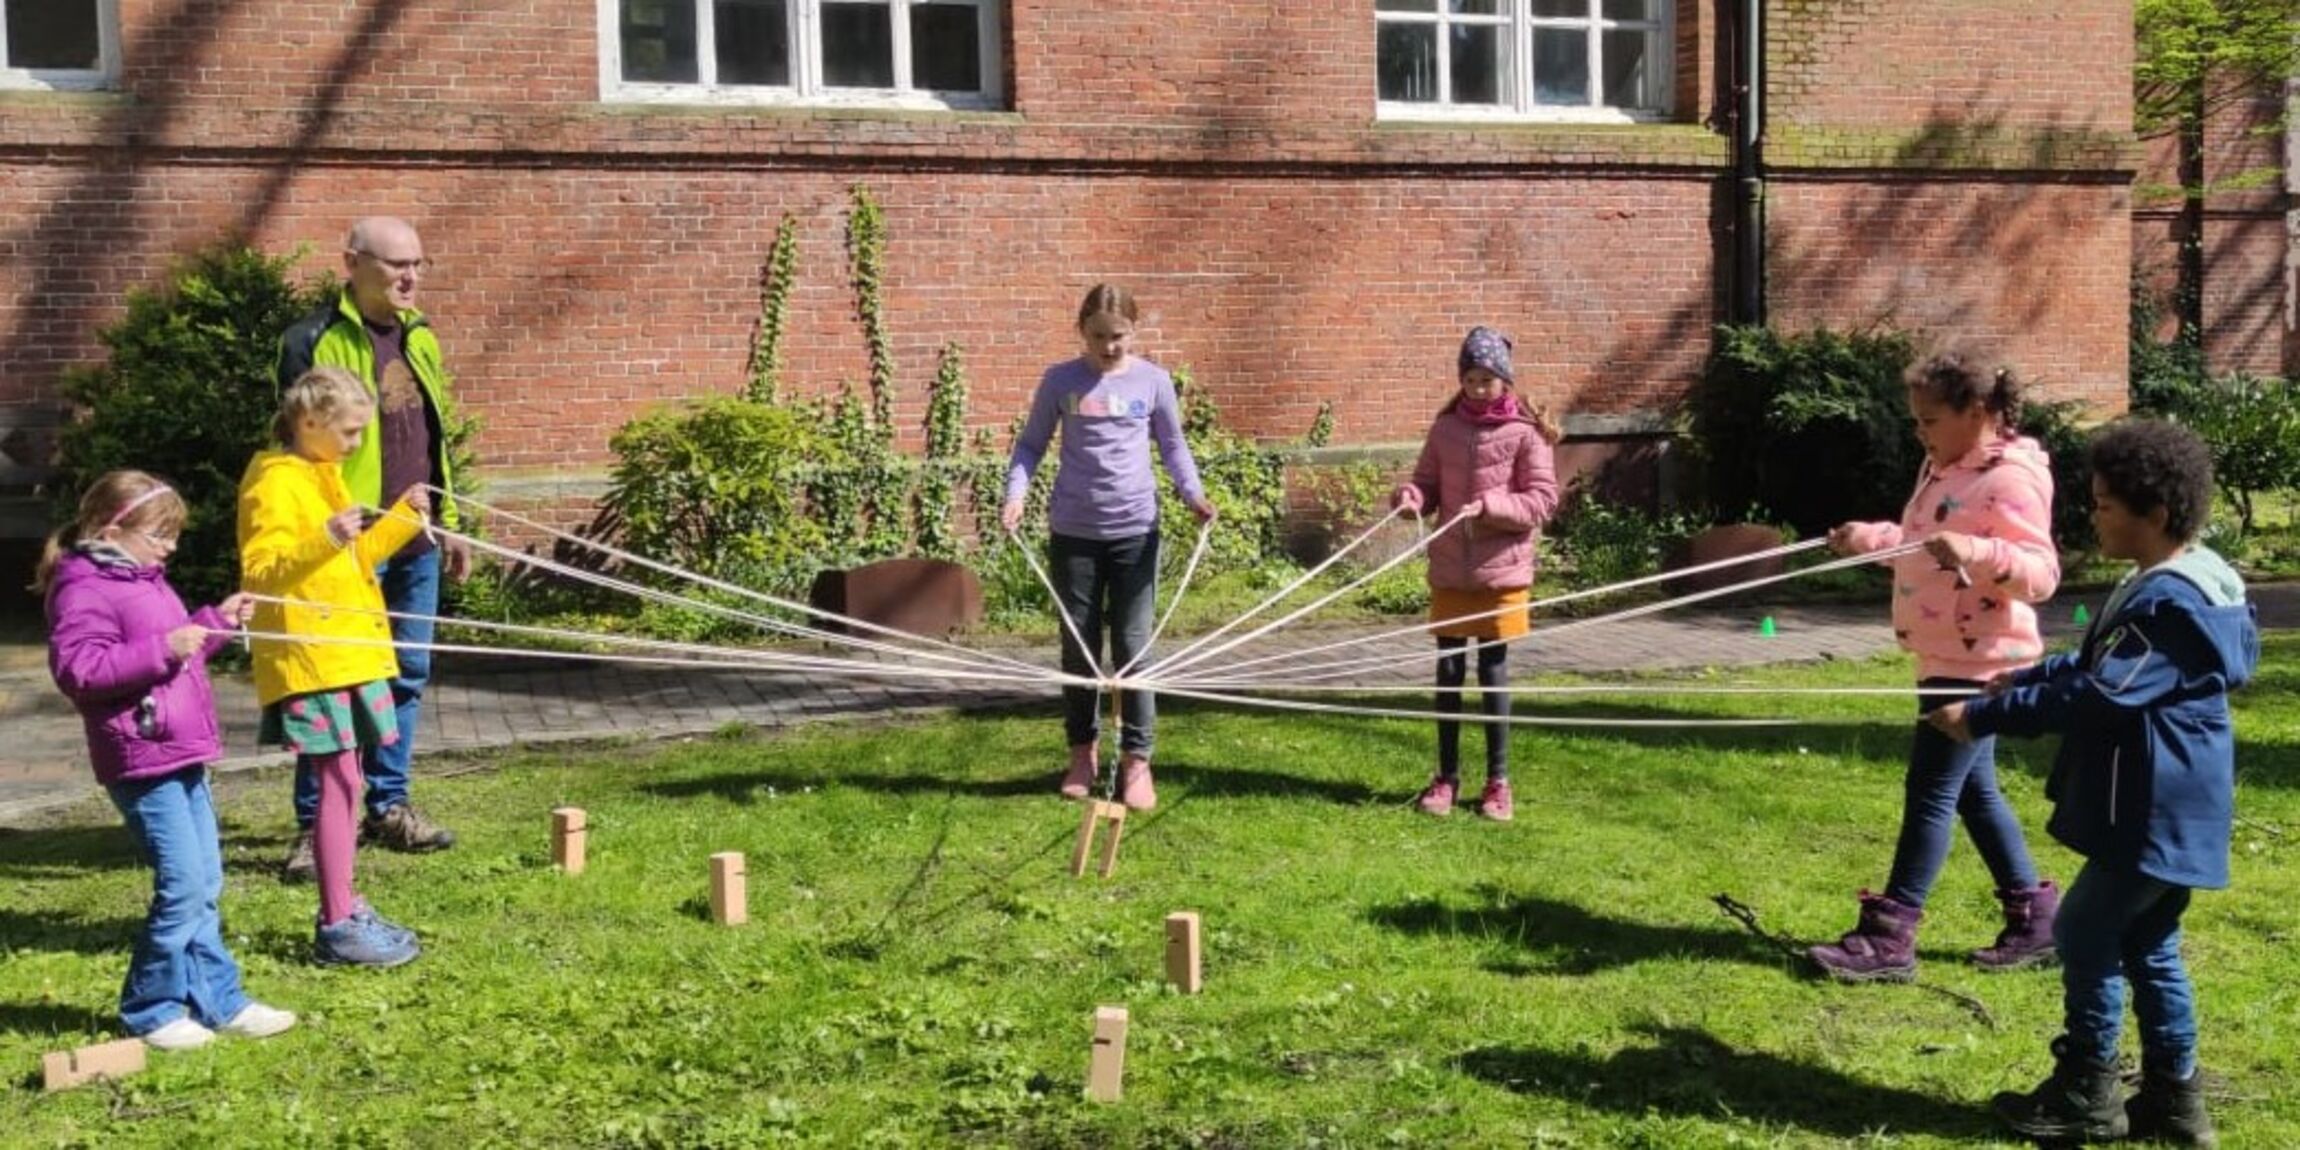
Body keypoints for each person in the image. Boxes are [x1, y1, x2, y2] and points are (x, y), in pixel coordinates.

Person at [1932, 419, 2257, 1147]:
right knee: (2146, 940)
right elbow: (2100, 666)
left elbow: (2104, 694)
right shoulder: (2166, 580)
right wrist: (2030, 675)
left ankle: (2088, 1090)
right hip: (2166, 802)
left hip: (2157, 807)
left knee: (2082, 929)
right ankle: (2174, 1102)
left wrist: (1983, 717)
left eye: (2106, 505)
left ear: (2156, 515)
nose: (2094, 516)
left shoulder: (2175, 604)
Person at [1810, 356, 2062, 982]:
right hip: (1943, 652)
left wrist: (1978, 551)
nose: (1920, 432)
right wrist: (1867, 539)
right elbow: (1923, 543)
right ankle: (2036, 920)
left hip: (1978, 661)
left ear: (1976, 413)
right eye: (1916, 420)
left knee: (1931, 792)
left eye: (1930, 420)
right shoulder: (1946, 468)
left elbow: (2041, 575)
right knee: (1975, 793)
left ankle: (1890, 937)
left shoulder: (2010, 479)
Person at [37, 470, 298, 1049]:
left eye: (175, 534)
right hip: (140, 759)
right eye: (161, 534)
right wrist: (164, 647)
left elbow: (178, 647)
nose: (172, 546)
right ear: (112, 530)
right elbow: (80, 671)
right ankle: (150, 1009)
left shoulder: (145, 579)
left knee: (205, 882)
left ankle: (220, 1000)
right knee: (183, 886)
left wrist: (215, 622)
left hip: (179, 751)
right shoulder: (83, 588)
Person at [273, 215, 467, 879]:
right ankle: (317, 824)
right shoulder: (311, 339)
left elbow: (438, 438)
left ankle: (388, 805)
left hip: (416, 536)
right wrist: (319, 533)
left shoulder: (422, 335)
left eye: (417, 263)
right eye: (395, 264)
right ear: (352, 263)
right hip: (348, 547)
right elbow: (293, 447)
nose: (410, 277)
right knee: (334, 683)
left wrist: (451, 519)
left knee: (406, 673)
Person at [240, 366, 432, 967]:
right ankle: (337, 921)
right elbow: (261, 575)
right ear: (308, 421)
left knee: (349, 783)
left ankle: (346, 905)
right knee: (340, 784)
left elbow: (351, 564)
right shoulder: (274, 482)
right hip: (312, 656)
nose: (356, 443)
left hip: (347, 650)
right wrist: (324, 535)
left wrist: (402, 520)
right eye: (349, 431)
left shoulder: (325, 476)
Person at [1001, 283, 1216, 810]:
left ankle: (1137, 761)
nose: (1108, 346)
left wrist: (1193, 495)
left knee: (1134, 648)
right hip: (1074, 533)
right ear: (1082, 330)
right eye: (1098, 336)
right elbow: (1030, 445)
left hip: (1135, 533)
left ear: (1133, 331)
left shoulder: (1154, 382)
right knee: (1078, 649)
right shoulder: (1060, 381)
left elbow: (1173, 446)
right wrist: (1015, 495)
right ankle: (1083, 754)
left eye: (1118, 335)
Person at [1388, 326, 1560, 822]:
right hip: (1450, 571)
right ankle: (1445, 777)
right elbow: (1426, 484)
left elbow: (1542, 501)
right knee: (1448, 673)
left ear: (1505, 380)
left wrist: (1491, 507)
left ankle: (1497, 782)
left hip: (1500, 575)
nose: (1478, 388)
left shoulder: (1526, 433)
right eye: (1470, 379)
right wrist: (1410, 497)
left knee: (1491, 672)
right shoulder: (1445, 429)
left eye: (1487, 379)